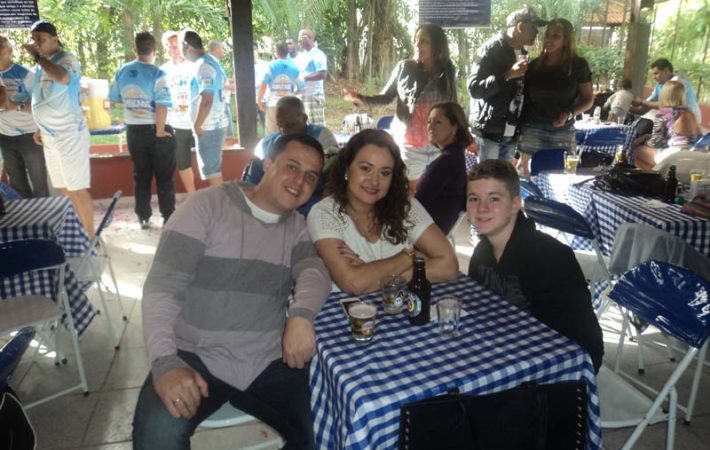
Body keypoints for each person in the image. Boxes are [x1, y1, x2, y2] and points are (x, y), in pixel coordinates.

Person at [132, 133, 331, 450]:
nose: (300, 181)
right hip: (193, 354)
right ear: (268, 164)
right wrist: (165, 361)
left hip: (266, 358)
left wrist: (301, 315)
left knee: (326, 429)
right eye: (292, 167)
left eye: (311, 176)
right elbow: (162, 287)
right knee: (157, 438)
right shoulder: (206, 206)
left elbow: (314, 272)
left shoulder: (296, 227)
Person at [466, 159, 603, 372]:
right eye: (474, 199)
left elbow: (583, 345)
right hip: (506, 352)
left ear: (515, 204)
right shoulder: (481, 253)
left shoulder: (549, 258)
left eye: (494, 198)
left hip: (557, 368)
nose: (482, 208)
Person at [307, 129, 458, 294]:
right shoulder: (324, 213)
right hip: (346, 308)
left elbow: (449, 265)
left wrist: (388, 279)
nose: (375, 181)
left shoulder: (405, 206)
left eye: (385, 173)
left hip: (398, 306)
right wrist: (409, 256)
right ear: (346, 169)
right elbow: (354, 283)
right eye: (366, 168)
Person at [344, 25, 457, 189]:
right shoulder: (405, 68)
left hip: (438, 145)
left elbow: (453, 106)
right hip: (410, 146)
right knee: (411, 193)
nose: (417, 45)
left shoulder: (447, 70)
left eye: (424, 41)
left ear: (437, 45)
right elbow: (386, 97)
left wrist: (460, 137)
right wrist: (362, 99)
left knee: (436, 192)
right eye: (416, 41)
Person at [22, 20, 95, 238]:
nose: (36, 43)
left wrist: (38, 57)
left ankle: (91, 238)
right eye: (34, 39)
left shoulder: (66, 59)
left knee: (76, 189)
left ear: (54, 39)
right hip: (49, 136)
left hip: (69, 134)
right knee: (63, 188)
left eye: (41, 39)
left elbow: (62, 77)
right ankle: (79, 232)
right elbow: (41, 97)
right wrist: (39, 127)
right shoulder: (41, 65)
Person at [109, 32, 175, 229]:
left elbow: (115, 98)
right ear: (154, 50)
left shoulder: (122, 71)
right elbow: (162, 105)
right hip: (156, 129)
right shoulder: (158, 73)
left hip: (134, 131)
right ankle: (168, 217)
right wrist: (160, 131)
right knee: (164, 177)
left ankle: (143, 217)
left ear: (135, 49)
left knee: (141, 175)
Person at [468, 5, 548, 162]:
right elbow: (474, 88)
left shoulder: (523, 53)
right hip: (489, 133)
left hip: (511, 133)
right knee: (488, 176)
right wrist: (507, 75)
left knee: (504, 177)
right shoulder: (490, 50)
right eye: (534, 28)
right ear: (520, 26)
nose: (537, 33)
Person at [517, 18, 594, 177]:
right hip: (533, 129)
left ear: (566, 40)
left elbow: (588, 99)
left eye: (556, 36)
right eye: (548, 35)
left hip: (562, 131)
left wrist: (569, 113)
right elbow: (524, 99)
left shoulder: (578, 66)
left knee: (562, 178)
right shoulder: (534, 66)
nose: (549, 39)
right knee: (529, 179)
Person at [247, 96, 338, 215]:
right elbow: (251, 185)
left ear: (304, 119)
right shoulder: (266, 144)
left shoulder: (322, 137)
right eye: (280, 126)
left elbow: (332, 180)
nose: (285, 131)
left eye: (290, 125)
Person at [0, 35, 49, 198]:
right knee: (17, 185)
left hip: (30, 135)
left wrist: (16, 106)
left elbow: (41, 105)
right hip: (5, 136)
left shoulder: (25, 75)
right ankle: (25, 214)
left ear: (10, 50)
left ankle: (44, 213)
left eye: (1, 46)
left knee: (39, 183)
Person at [415, 102, 473, 235]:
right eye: (429, 122)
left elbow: (417, 204)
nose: (430, 127)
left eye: (438, 123)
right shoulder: (456, 156)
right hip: (434, 229)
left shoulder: (447, 161)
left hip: (424, 233)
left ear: (454, 128)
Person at [180, 29, 228, 187]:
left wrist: (198, 124)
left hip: (209, 127)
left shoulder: (204, 66)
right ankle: (219, 201)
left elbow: (207, 98)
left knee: (212, 172)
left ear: (186, 46)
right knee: (212, 170)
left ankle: (220, 202)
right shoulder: (209, 62)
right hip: (211, 125)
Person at [633, 80, 702, 169]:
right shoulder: (689, 112)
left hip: (676, 154)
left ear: (663, 95)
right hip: (695, 153)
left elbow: (656, 143)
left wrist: (642, 141)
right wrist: (647, 136)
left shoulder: (664, 113)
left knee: (637, 151)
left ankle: (655, 175)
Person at [161, 30, 198, 194]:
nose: (175, 49)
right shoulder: (163, 71)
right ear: (165, 48)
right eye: (170, 46)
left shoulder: (194, 66)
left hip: (198, 119)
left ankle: (212, 196)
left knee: (208, 161)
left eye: (177, 45)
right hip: (177, 122)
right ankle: (192, 195)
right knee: (182, 162)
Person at [631, 58, 702, 126]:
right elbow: (644, 108)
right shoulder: (659, 86)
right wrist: (626, 105)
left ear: (666, 71)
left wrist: (641, 102)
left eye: (656, 73)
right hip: (675, 121)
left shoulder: (677, 82)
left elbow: (667, 105)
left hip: (689, 119)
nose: (654, 77)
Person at [258, 42, 305, 135]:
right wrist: (293, 93)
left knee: (271, 135)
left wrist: (259, 101)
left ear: (276, 52)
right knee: (289, 134)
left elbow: (263, 85)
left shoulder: (271, 66)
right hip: (289, 106)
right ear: (287, 52)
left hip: (273, 104)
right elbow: (302, 87)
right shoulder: (295, 67)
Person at [295, 28, 327, 126]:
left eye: (301, 38)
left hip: (313, 97)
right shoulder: (301, 55)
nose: (299, 40)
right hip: (301, 96)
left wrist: (304, 78)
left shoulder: (318, 54)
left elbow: (322, 74)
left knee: (316, 126)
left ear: (308, 38)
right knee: (303, 126)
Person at [208, 39, 236, 143]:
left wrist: (232, 81)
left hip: (222, 103)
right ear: (217, 49)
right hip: (220, 103)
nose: (223, 51)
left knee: (227, 134)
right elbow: (219, 84)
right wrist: (236, 86)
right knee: (227, 136)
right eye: (222, 48)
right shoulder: (212, 64)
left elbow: (223, 80)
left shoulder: (215, 63)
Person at [253, 44, 269, 128]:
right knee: (250, 127)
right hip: (250, 102)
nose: (252, 52)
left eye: (254, 49)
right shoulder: (244, 66)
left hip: (264, 100)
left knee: (267, 126)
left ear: (257, 50)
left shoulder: (266, 65)